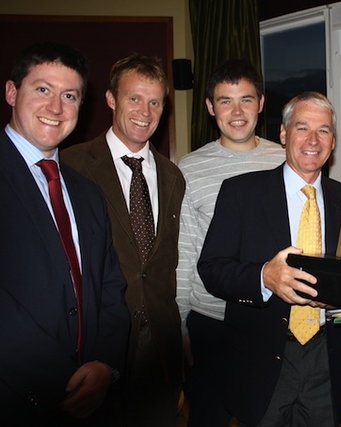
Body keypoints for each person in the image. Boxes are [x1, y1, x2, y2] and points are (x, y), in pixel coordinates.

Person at [197, 91, 341, 426]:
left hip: (324, 359)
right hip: (262, 360)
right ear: (284, 134)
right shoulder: (241, 193)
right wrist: (263, 278)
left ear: (333, 140)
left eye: (324, 130)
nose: (313, 140)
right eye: (302, 128)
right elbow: (211, 269)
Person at [0, 42, 129, 425]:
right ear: (11, 92)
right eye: (43, 89)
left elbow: (111, 285)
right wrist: (63, 383)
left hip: (91, 396)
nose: (56, 108)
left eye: (69, 95)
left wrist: (105, 364)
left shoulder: (87, 193)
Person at [61, 54, 185, 425]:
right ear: (112, 99)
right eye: (134, 98)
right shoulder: (71, 166)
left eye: (155, 102)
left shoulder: (172, 176)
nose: (145, 111)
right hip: (95, 351)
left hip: (161, 353)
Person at [176, 59, 285, 426]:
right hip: (211, 324)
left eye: (246, 100)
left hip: (270, 323)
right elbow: (184, 252)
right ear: (210, 107)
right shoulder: (189, 169)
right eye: (225, 101)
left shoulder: (286, 160)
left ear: (261, 103)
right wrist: (180, 327)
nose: (237, 112)